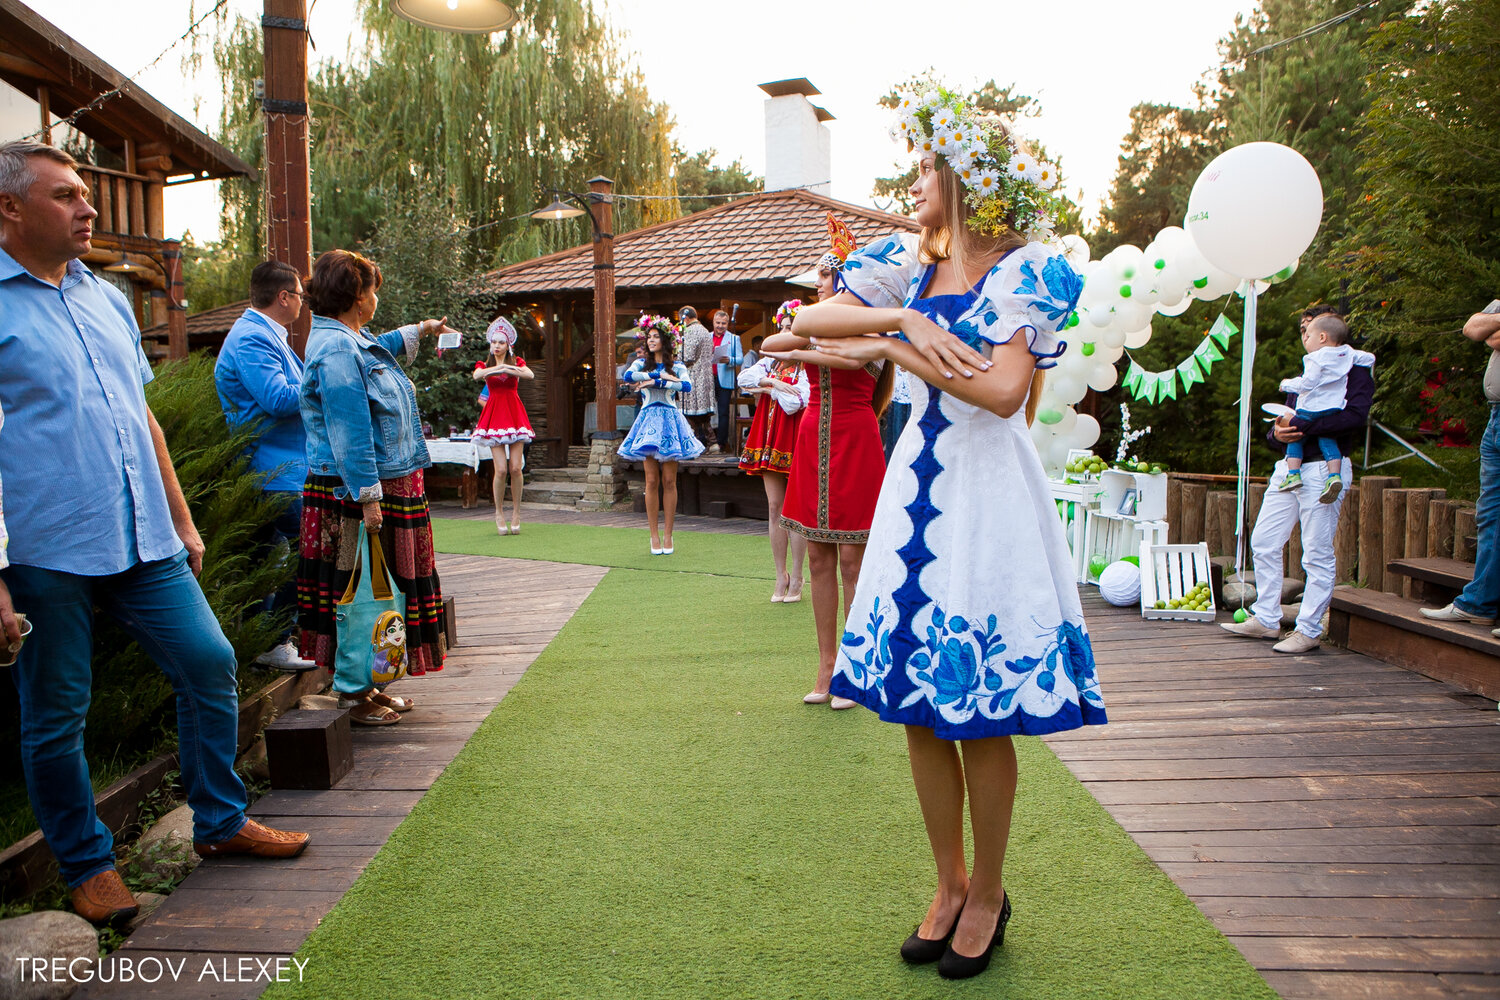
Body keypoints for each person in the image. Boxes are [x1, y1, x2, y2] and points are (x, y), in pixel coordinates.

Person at [787, 92, 1106, 980]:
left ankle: (992, 892)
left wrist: (893, 351)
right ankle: (947, 884)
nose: (914, 182)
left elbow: (1005, 393)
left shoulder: (1029, 270)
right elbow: (805, 324)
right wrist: (902, 319)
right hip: (914, 495)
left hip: (988, 497)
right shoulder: (902, 264)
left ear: (966, 179)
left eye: (927, 168)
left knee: (978, 713)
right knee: (919, 714)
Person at [0, 140, 308, 926]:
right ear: (10, 208)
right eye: (66, 194)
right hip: (43, 552)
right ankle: (87, 864)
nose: (88, 206)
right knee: (57, 713)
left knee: (209, 664)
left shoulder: (104, 296)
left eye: (85, 193)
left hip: (143, 540)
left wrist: (180, 514)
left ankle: (220, 820)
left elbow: (141, 417)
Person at [296, 249, 453, 725]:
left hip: (379, 487)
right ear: (355, 297)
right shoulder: (338, 349)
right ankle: (353, 693)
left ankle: (367, 684)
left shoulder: (347, 339)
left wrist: (421, 330)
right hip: (359, 495)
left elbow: (376, 347)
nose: (376, 297)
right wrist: (368, 497)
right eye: (372, 289)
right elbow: (350, 429)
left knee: (381, 591)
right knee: (359, 593)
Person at [762, 229, 892, 711]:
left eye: (824, 276)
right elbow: (773, 342)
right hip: (813, 435)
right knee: (818, 558)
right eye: (817, 278)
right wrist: (802, 336)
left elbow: (835, 356)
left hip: (856, 439)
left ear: (846, 280)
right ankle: (826, 665)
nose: (817, 285)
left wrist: (801, 347)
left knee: (854, 561)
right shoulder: (813, 322)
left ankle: (856, 668)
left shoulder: (872, 331)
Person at [1223, 313, 1373, 653]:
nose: (1304, 334)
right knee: (1263, 540)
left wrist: (1304, 426)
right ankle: (1267, 618)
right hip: (1289, 467)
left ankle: (1308, 630)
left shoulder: (1355, 368)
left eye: (1309, 327)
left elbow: (1355, 416)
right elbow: (1286, 419)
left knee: (1316, 551)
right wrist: (1277, 433)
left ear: (1327, 334)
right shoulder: (1310, 370)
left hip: (1325, 469)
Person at [214, 260, 316, 671]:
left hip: (278, 469)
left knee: (264, 559)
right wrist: (320, 381)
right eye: (300, 296)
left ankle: (262, 642)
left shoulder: (263, 335)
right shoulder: (252, 338)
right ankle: (276, 639)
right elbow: (277, 399)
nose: (303, 303)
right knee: (308, 551)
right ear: (284, 297)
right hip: (272, 472)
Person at [1421, 299, 1500, 630]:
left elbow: (1493, 336)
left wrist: (1494, 327)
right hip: (1495, 418)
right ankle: (1479, 603)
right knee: (1490, 514)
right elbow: (1475, 329)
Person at [739, 300, 811, 603]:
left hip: (794, 439)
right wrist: (773, 384)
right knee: (774, 507)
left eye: (789, 328)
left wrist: (768, 390)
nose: (783, 334)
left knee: (795, 509)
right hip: (768, 439)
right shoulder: (771, 362)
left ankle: (797, 575)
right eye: (781, 328)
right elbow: (745, 379)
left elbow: (797, 402)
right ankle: (779, 574)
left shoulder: (809, 363)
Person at [619, 315, 704, 553]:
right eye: (649, 337)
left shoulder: (677, 366)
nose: (651, 340)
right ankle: (653, 536)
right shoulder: (640, 363)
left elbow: (685, 385)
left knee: (669, 480)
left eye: (656, 337)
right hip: (647, 422)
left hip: (670, 421)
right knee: (651, 480)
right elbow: (628, 377)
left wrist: (662, 381)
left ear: (666, 341)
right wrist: (658, 377)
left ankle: (669, 535)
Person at [1275, 318, 1369, 502]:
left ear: (1323, 336)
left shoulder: (1314, 360)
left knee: (1299, 438)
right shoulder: (1347, 355)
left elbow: (1355, 418)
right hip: (1332, 409)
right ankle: (1334, 477)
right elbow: (1369, 358)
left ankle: (1294, 474)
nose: (1304, 339)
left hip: (1318, 467)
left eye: (1308, 334)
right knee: (1328, 440)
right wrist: (1277, 433)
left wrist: (1286, 385)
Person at [471, 316, 535, 536]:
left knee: (516, 468)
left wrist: (509, 369)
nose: (497, 346)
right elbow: (477, 375)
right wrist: (496, 370)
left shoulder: (517, 362)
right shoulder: (484, 364)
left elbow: (529, 374)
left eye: (501, 342)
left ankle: (516, 512)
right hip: (493, 415)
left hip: (514, 413)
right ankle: (498, 512)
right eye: (494, 342)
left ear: (508, 345)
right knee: (500, 469)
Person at [678, 305, 715, 448]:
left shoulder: (691, 331)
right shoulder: (705, 330)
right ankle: (712, 442)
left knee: (690, 412)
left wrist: (675, 359)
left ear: (685, 318)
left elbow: (688, 357)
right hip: (705, 375)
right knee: (703, 414)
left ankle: (692, 444)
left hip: (694, 375)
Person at [712, 308, 744, 453]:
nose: (720, 326)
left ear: (727, 324)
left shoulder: (733, 338)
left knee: (723, 411)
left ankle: (721, 443)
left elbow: (740, 359)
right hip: (709, 378)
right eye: (718, 323)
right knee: (707, 411)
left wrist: (729, 360)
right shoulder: (707, 337)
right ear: (713, 322)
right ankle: (706, 440)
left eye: (723, 323)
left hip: (725, 378)